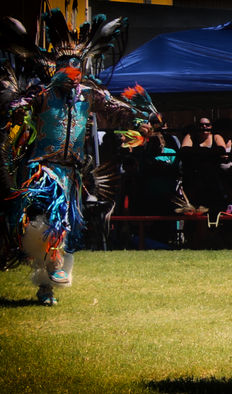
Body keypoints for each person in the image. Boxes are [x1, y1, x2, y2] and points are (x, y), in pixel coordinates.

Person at [0, 9, 157, 304]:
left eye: (77, 70)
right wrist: (18, 107)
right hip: (40, 170)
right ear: (58, 70)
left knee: (65, 226)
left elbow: (117, 109)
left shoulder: (89, 94)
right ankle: (51, 267)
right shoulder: (42, 94)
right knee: (44, 219)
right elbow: (13, 109)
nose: (73, 77)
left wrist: (139, 122)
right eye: (68, 71)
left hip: (70, 173)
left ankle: (46, 286)